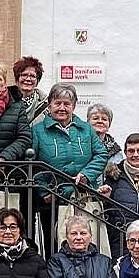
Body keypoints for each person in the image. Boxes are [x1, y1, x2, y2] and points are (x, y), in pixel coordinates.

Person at [31, 83, 108, 247]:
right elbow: (31, 163)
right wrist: (44, 191)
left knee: (87, 241)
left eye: (67, 104)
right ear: (49, 104)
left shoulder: (86, 129)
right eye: (57, 103)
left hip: (84, 197)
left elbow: (101, 154)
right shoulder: (38, 131)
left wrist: (86, 175)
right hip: (54, 200)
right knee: (56, 244)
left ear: (73, 106)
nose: (62, 108)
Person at [13, 56, 47, 124]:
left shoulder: (45, 104)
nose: (28, 79)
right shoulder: (7, 100)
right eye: (24, 75)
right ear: (17, 79)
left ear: (37, 81)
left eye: (32, 76)